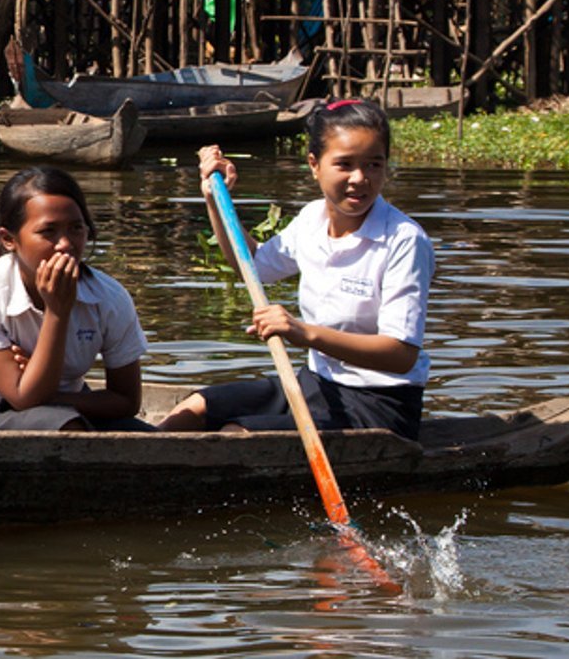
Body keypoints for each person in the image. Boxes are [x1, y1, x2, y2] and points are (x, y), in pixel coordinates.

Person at [157, 98, 434, 439]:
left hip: (378, 404)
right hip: (316, 384)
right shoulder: (311, 219)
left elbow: (401, 355)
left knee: (237, 434)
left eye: (374, 165)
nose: (360, 179)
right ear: (314, 164)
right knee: (194, 408)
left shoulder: (404, 240)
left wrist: (303, 333)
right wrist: (214, 198)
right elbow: (253, 266)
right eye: (344, 164)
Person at [0, 166, 150, 431]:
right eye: (48, 231)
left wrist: (55, 395)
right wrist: (57, 312)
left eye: (76, 228)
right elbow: (24, 398)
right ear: (9, 239)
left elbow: (126, 400)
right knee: (67, 428)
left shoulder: (109, 297)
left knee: (153, 441)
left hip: (69, 402)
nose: (65, 244)